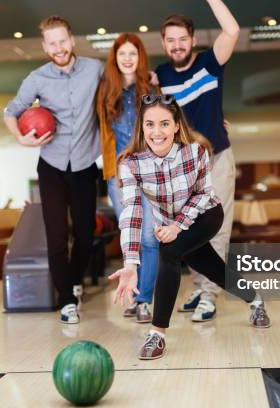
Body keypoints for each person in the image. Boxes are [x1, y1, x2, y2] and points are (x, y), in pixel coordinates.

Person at [109, 94, 270, 360]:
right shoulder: (131, 164)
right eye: (149, 124)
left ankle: (157, 334)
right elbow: (132, 214)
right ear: (141, 127)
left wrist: (177, 226)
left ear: (175, 126)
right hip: (171, 226)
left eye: (164, 124)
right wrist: (130, 262)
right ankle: (255, 300)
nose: (156, 132)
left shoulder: (194, 151)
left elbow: (203, 194)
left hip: (205, 214)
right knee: (215, 269)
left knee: (169, 252)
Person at [3, 16, 103, 325]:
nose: (58, 47)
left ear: (72, 41)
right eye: (52, 43)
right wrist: (20, 137)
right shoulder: (36, 79)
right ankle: (67, 300)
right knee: (56, 237)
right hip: (51, 166)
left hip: (86, 163)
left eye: (62, 41)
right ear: (45, 47)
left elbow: (125, 81)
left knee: (86, 235)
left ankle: (73, 280)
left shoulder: (95, 69)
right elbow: (11, 111)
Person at [155, 0, 240, 323]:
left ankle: (209, 294)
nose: (177, 45)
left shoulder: (210, 63)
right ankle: (201, 285)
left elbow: (231, 30)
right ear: (164, 43)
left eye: (182, 39)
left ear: (192, 39)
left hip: (216, 158)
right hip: (185, 168)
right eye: (170, 40)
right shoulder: (161, 76)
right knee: (188, 231)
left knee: (216, 228)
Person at [96, 33, 157, 323]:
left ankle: (144, 299)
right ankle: (135, 295)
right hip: (118, 175)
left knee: (148, 237)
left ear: (140, 57)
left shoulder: (152, 86)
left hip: (149, 171)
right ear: (115, 59)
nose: (128, 58)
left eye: (133, 53)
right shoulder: (105, 90)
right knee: (129, 237)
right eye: (123, 54)